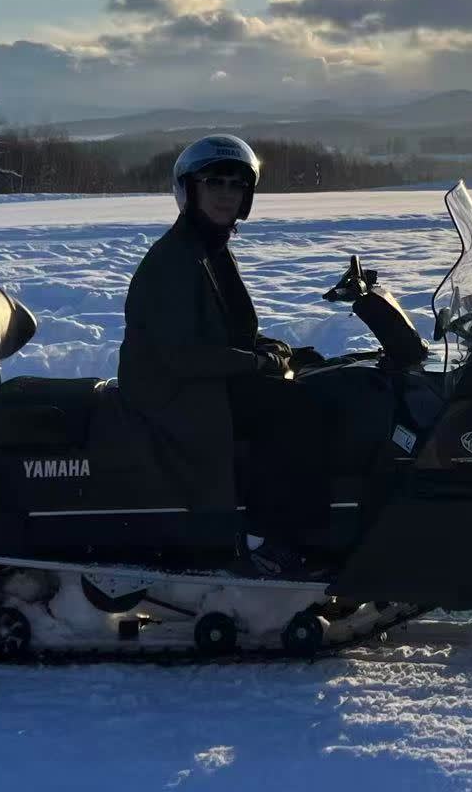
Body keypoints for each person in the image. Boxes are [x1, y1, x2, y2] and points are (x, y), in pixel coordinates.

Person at [117, 134, 331, 576]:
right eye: (214, 182)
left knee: (322, 382)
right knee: (297, 409)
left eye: (236, 185)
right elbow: (182, 355)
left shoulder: (208, 248)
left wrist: (275, 351)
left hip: (198, 380)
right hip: (173, 394)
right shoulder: (174, 261)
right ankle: (274, 541)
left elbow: (227, 330)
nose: (226, 194)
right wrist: (257, 362)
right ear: (189, 190)